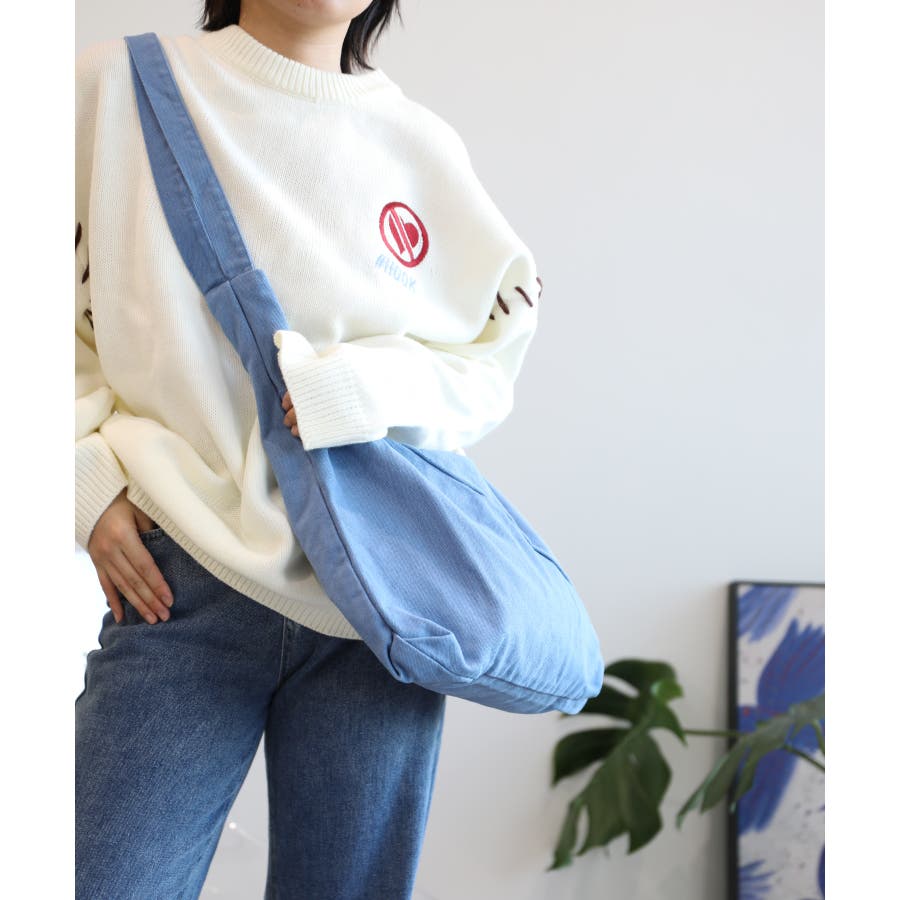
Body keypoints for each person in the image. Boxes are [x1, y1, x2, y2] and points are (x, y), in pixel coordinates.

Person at [74, 1, 543, 898]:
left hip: (380, 599)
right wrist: (84, 480)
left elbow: (491, 358)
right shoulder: (117, 85)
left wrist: (364, 388)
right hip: (177, 579)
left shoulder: (419, 144)